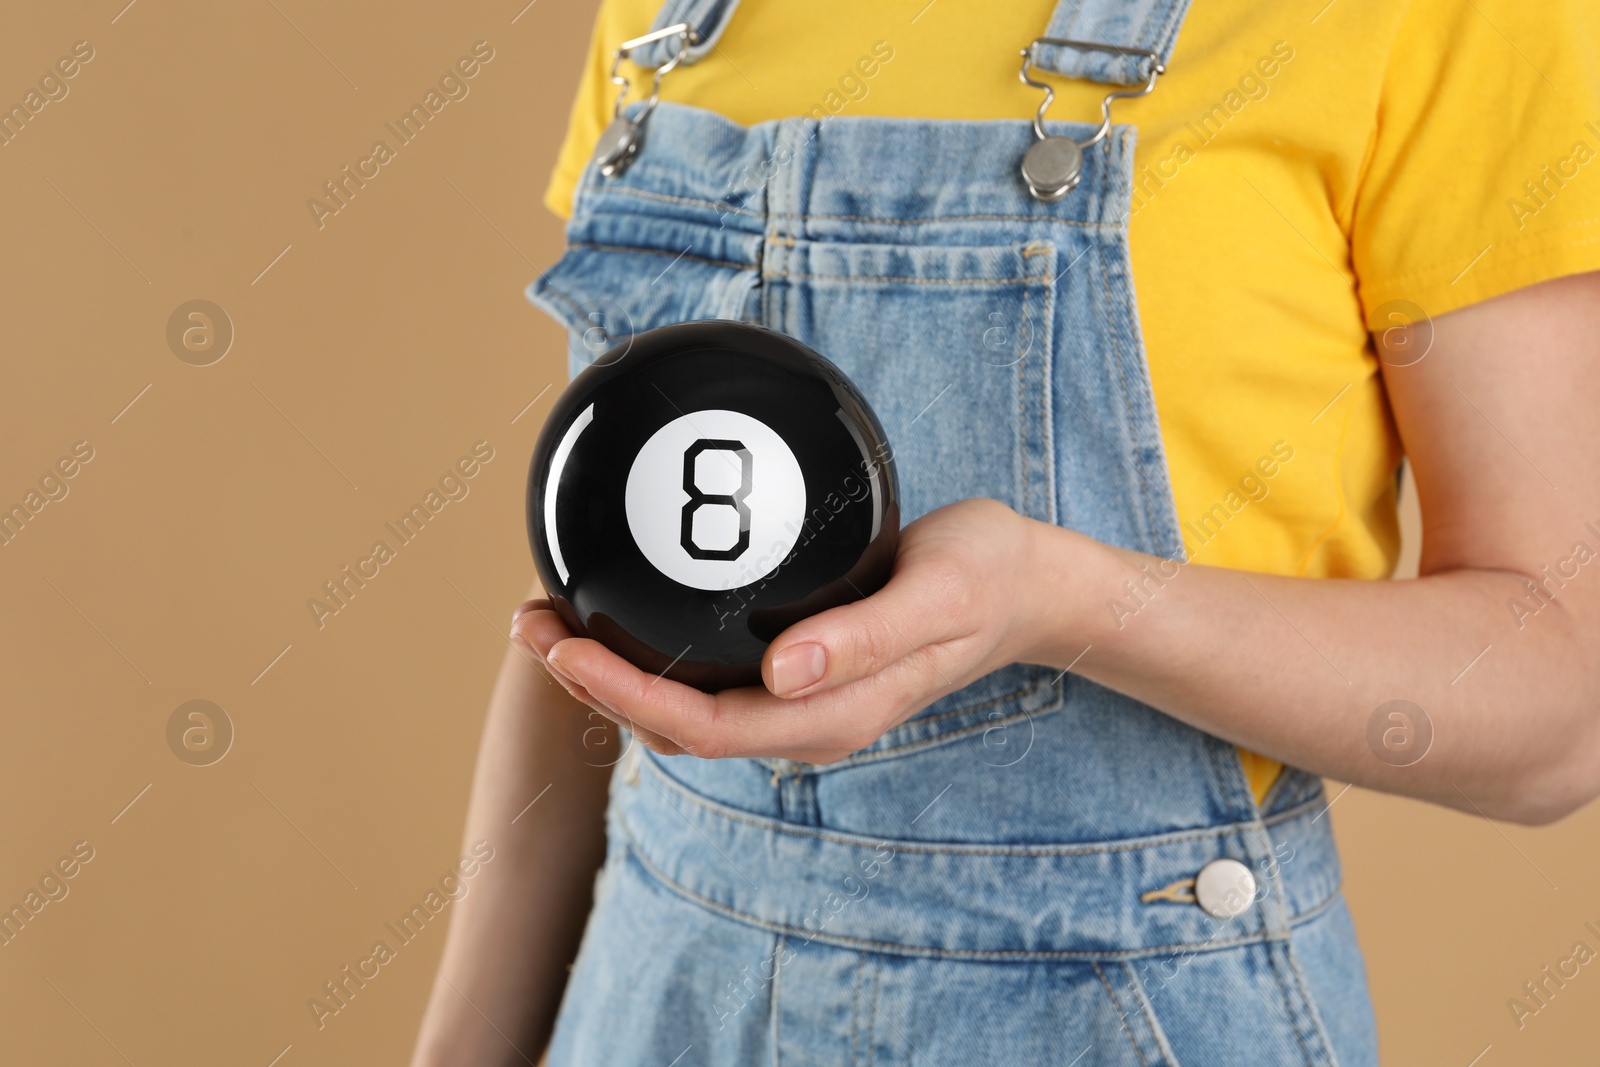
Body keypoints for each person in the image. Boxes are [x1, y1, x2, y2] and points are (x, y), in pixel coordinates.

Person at [412, 1, 1600, 1063]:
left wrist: (1065, 601)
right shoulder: (675, 16)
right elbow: (603, 625)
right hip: (653, 1001)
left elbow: (1563, 695)